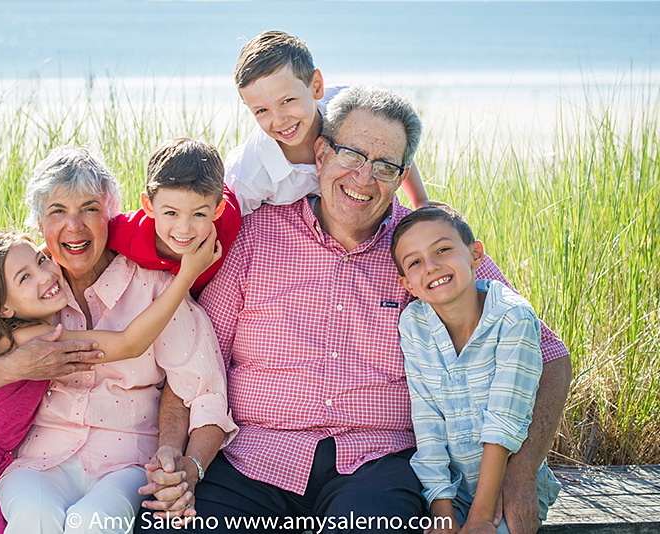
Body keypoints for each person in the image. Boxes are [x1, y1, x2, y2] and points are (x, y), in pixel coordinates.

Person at [183, 86, 571, 534]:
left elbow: (550, 354)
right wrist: (181, 458)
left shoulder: (425, 250)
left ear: (402, 174)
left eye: (385, 165)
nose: (365, 178)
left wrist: (520, 474)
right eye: (352, 155)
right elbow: (196, 359)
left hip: (377, 465)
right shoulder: (255, 237)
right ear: (322, 153)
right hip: (253, 457)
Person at [0, 146, 237, 534]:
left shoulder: (158, 289)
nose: (75, 226)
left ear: (111, 216)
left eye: (89, 208)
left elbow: (205, 394)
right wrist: (14, 365)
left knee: (93, 524)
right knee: (34, 518)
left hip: (125, 465)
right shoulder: (28, 287)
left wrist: (189, 468)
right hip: (39, 461)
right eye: (57, 211)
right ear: (39, 223)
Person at [0, 229, 219, 534]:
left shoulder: (13, 325)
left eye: (42, 260)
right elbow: (128, 343)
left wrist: (56, 250)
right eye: (24, 277)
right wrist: (186, 276)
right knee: (32, 513)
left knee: (55, 519)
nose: (44, 273)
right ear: (2, 308)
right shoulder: (33, 337)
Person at [392, 207, 561, 534]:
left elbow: (504, 422)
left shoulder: (513, 317)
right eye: (415, 262)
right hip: (449, 491)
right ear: (407, 284)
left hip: (503, 489)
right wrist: (442, 513)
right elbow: (427, 424)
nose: (432, 266)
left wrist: (481, 517)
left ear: (475, 254)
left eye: (443, 249)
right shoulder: (413, 325)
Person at [226, 30, 435, 216]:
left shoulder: (346, 105)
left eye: (288, 101)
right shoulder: (249, 177)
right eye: (262, 111)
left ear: (316, 87)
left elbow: (389, 143)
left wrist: (420, 200)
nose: (279, 120)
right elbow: (230, 228)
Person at [107, 138, 241, 295]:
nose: (184, 229)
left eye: (199, 214)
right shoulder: (124, 233)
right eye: (171, 213)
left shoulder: (228, 220)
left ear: (218, 210)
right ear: (149, 206)